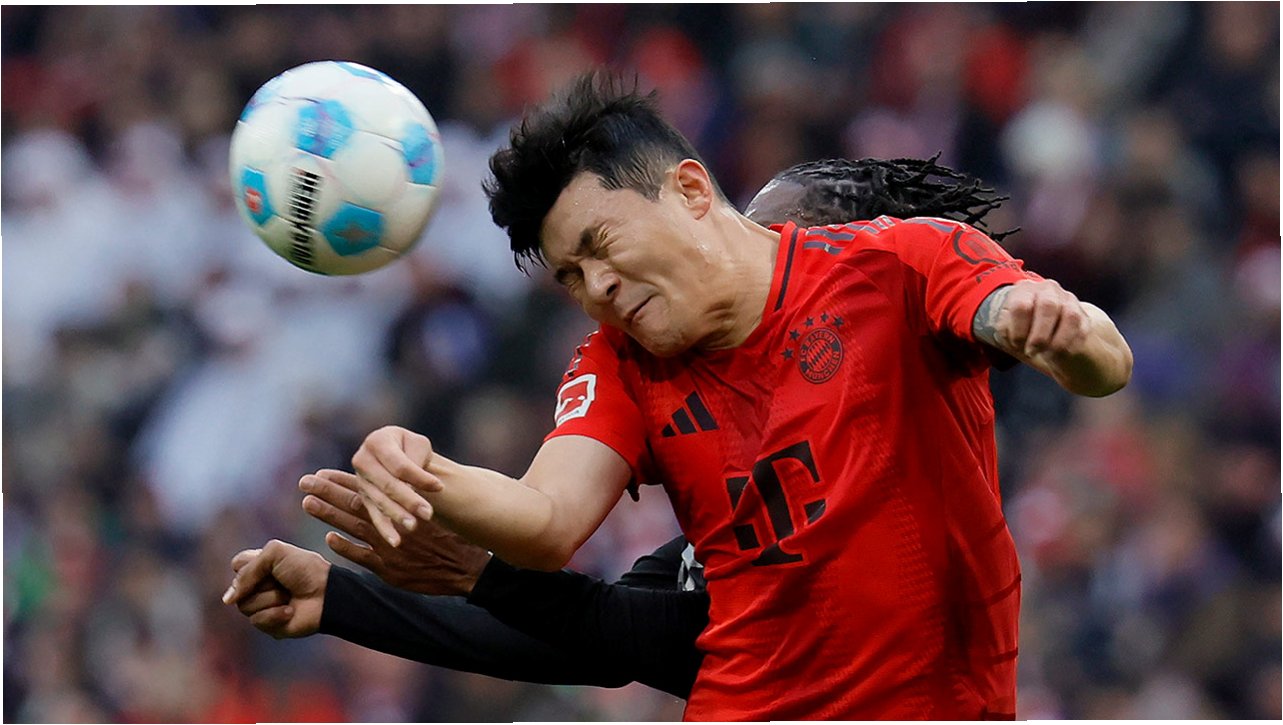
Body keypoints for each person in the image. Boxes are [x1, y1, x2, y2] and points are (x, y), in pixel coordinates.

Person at [227, 71, 1133, 719]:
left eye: (599, 247)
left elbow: (1093, 354)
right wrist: (418, 468)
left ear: (693, 192)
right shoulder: (621, 363)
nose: (595, 286)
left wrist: (1053, 326)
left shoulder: (898, 270)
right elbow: (554, 533)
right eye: (570, 273)